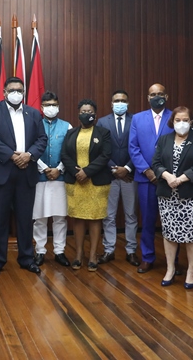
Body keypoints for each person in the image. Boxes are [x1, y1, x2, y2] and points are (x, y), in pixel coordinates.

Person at [0, 77, 47, 277]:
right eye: (12, 90)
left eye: (20, 90)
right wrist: (12, 155)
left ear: (24, 92)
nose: (16, 93)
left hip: (26, 172)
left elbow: (42, 139)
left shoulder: (33, 113)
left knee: (25, 219)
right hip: (0, 173)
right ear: (4, 92)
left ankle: (27, 258)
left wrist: (29, 155)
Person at [152, 107, 193, 289]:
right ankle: (170, 269)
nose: (182, 123)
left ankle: (191, 270)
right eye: (178, 120)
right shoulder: (164, 139)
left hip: (192, 195)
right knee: (169, 233)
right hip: (168, 194)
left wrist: (181, 179)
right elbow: (156, 162)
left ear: (191, 121)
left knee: (192, 234)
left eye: (185, 120)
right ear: (173, 121)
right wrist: (167, 176)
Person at [61, 99, 112, 272]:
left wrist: (87, 172)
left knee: (95, 218)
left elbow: (105, 155)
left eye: (89, 111)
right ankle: (78, 254)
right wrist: (77, 172)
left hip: (96, 183)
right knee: (78, 218)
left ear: (95, 115)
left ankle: (92, 255)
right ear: (78, 114)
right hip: (76, 182)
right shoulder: (71, 133)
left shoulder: (103, 133)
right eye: (83, 111)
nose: (86, 114)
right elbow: (64, 154)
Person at [128, 83, 174, 273]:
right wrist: (147, 170)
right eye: (153, 94)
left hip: (170, 179)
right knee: (147, 220)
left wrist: (165, 173)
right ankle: (147, 257)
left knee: (171, 221)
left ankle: (173, 261)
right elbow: (133, 147)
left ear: (166, 96)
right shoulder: (138, 118)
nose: (157, 97)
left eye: (160, 94)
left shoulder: (175, 117)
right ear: (148, 98)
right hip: (145, 178)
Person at [96, 90, 140, 267]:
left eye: (123, 100)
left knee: (131, 214)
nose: (120, 103)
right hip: (110, 175)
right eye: (116, 100)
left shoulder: (136, 120)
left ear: (128, 103)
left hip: (130, 175)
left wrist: (127, 168)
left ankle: (131, 251)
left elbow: (140, 147)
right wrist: (115, 169)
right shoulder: (102, 122)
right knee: (109, 215)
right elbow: (100, 149)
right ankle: (109, 250)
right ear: (111, 103)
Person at [32, 91, 72, 267]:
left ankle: (59, 251)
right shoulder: (34, 125)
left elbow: (70, 151)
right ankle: (40, 251)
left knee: (60, 216)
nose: (51, 108)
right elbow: (30, 149)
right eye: (47, 105)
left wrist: (59, 169)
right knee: (39, 217)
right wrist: (44, 168)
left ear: (59, 107)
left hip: (60, 177)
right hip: (39, 177)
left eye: (54, 105)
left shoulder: (67, 126)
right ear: (41, 107)